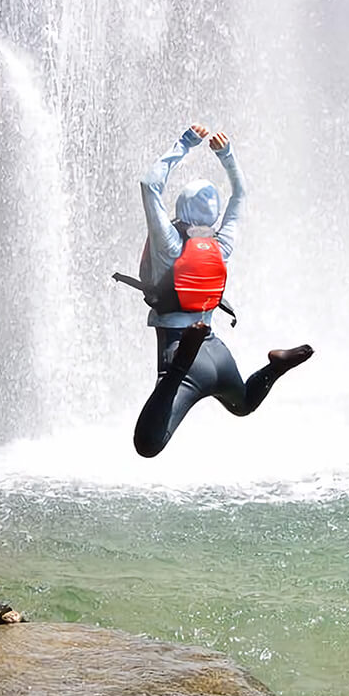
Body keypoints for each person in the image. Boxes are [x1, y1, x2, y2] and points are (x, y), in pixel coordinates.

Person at [125, 123, 313, 458]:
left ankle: (180, 367)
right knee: (243, 405)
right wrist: (226, 155)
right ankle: (276, 367)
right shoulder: (221, 244)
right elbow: (239, 194)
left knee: (147, 445)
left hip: (181, 353)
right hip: (217, 352)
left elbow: (149, 186)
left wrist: (185, 142)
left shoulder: (167, 243)